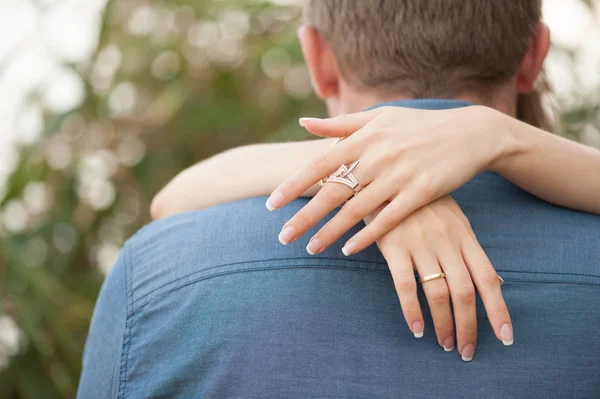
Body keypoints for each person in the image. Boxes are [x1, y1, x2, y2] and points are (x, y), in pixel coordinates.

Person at [78, 1, 600, 398]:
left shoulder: (154, 275)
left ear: (317, 58)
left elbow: (169, 201)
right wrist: (377, 173)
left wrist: (368, 167)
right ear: (534, 55)